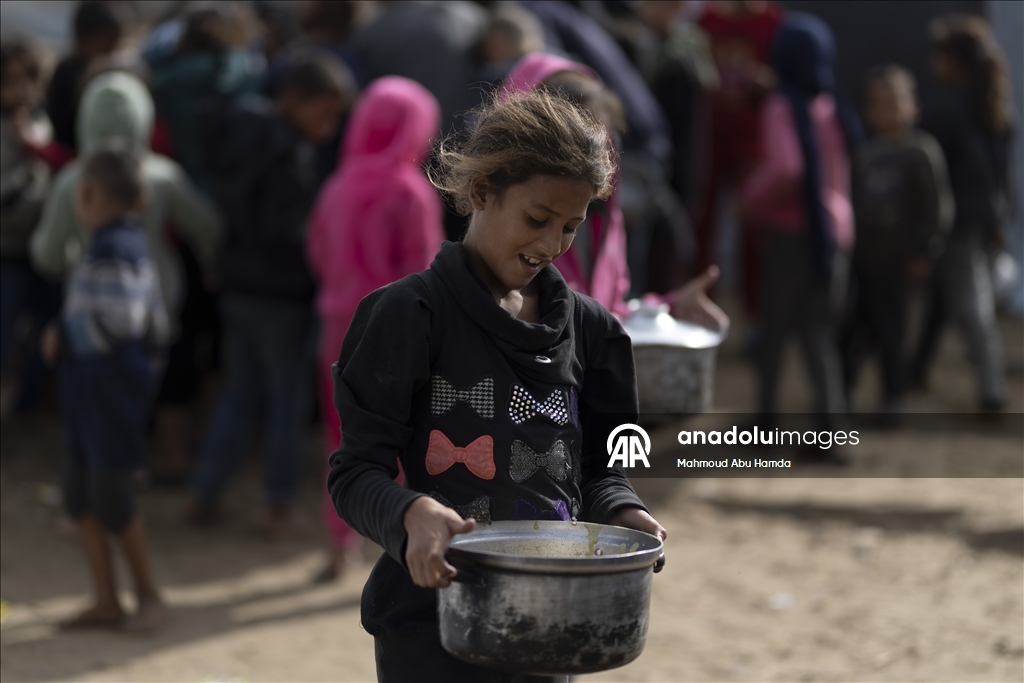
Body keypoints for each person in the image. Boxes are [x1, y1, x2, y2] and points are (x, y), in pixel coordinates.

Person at [327, 87, 666, 683]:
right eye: (537, 219)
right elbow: (355, 474)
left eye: (571, 227)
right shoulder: (410, 315)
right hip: (430, 626)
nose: (552, 245)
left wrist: (623, 509)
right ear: (482, 192)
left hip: (551, 619)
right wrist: (410, 514)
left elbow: (604, 466)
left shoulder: (593, 332)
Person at [186, 54, 353, 534]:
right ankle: (279, 503)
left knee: (238, 392)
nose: (329, 127)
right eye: (324, 113)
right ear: (294, 100)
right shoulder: (291, 153)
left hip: (236, 287)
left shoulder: (239, 131)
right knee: (286, 400)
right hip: (282, 296)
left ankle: (205, 491)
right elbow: (288, 231)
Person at [30, 70, 223, 478]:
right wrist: (208, 262)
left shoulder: (72, 181)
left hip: (92, 310)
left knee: (96, 391)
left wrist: (70, 261)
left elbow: (47, 254)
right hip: (158, 302)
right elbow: (208, 227)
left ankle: (101, 468)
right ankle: (171, 454)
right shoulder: (162, 175)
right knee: (171, 379)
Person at [306, 76, 444, 580]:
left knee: (343, 437)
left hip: (338, 328)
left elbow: (318, 253)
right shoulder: (409, 192)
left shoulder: (337, 186)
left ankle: (339, 543)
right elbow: (426, 272)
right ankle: (402, 540)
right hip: (396, 335)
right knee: (404, 437)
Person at [42, 143, 169, 633]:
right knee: (80, 496)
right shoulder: (103, 243)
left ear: (88, 194)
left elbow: (121, 320)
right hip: (86, 394)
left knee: (113, 497)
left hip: (112, 395)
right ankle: (106, 599)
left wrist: (66, 332)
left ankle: (148, 595)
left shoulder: (120, 247)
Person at [505, 52, 728, 332]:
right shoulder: (502, 247)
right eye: (574, 152)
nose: (593, 166)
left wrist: (668, 309)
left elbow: (605, 313)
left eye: (602, 148)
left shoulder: (604, 217)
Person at [738, 13, 859, 433]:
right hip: (836, 233)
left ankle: (765, 425)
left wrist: (750, 198)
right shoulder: (832, 105)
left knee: (774, 330)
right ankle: (831, 430)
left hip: (793, 235)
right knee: (818, 334)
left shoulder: (780, 105)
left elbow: (787, 170)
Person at [908, 15, 1013, 411]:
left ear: (953, 60)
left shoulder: (946, 111)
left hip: (957, 223)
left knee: (971, 306)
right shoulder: (994, 106)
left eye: (940, 56)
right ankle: (916, 370)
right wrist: (1000, 221)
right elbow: (1003, 178)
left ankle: (992, 391)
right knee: (942, 298)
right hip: (984, 219)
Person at [842, 66, 953, 414]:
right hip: (864, 261)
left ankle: (892, 397)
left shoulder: (921, 152)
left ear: (913, 106)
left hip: (899, 263)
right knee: (853, 331)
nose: (886, 111)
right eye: (878, 104)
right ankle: (841, 395)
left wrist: (925, 251)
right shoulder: (864, 154)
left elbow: (938, 207)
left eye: (894, 103)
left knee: (893, 332)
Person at [1, 40, 60, 415]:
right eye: (11, 81)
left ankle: (25, 406)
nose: (22, 90)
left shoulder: (40, 122)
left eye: (29, 81)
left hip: (39, 247)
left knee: (45, 327)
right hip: (6, 249)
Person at [45, 0, 122, 153]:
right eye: (108, 41)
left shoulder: (108, 69)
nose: (113, 49)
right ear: (82, 37)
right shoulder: (67, 74)